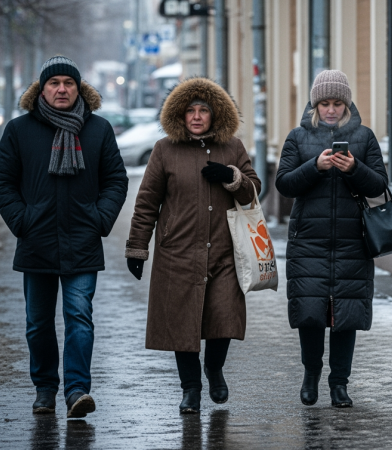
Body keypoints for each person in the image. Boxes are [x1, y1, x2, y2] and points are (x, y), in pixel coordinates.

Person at [0, 55, 128, 418]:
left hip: (82, 240)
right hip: (36, 241)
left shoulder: (97, 129)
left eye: (69, 82)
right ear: (42, 88)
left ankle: (77, 390)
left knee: (79, 317)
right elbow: (0, 181)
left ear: (78, 88)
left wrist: (100, 218)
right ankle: (45, 388)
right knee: (38, 323)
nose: (62, 89)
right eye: (54, 83)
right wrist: (22, 219)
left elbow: (116, 180)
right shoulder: (19, 130)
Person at [124, 77, 260, 414]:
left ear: (216, 115)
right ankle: (190, 389)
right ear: (180, 116)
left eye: (203, 110)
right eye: (190, 111)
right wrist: (137, 248)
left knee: (223, 318)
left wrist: (233, 178)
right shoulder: (164, 150)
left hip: (226, 252)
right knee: (180, 322)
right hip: (178, 251)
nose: (197, 116)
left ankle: (214, 370)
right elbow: (146, 203)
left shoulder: (233, 148)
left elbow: (255, 190)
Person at [275, 70, 388, 407]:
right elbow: (284, 184)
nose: (331, 110)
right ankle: (310, 377)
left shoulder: (364, 137)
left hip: (353, 241)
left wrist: (354, 168)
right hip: (309, 240)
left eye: (337, 103)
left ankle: (339, 384)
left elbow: (380, 185)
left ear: (346, 104)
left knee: (346, 316)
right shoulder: (297, 137)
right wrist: (315, 167)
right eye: (325, 103)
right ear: (315, 104)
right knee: (310, 313)